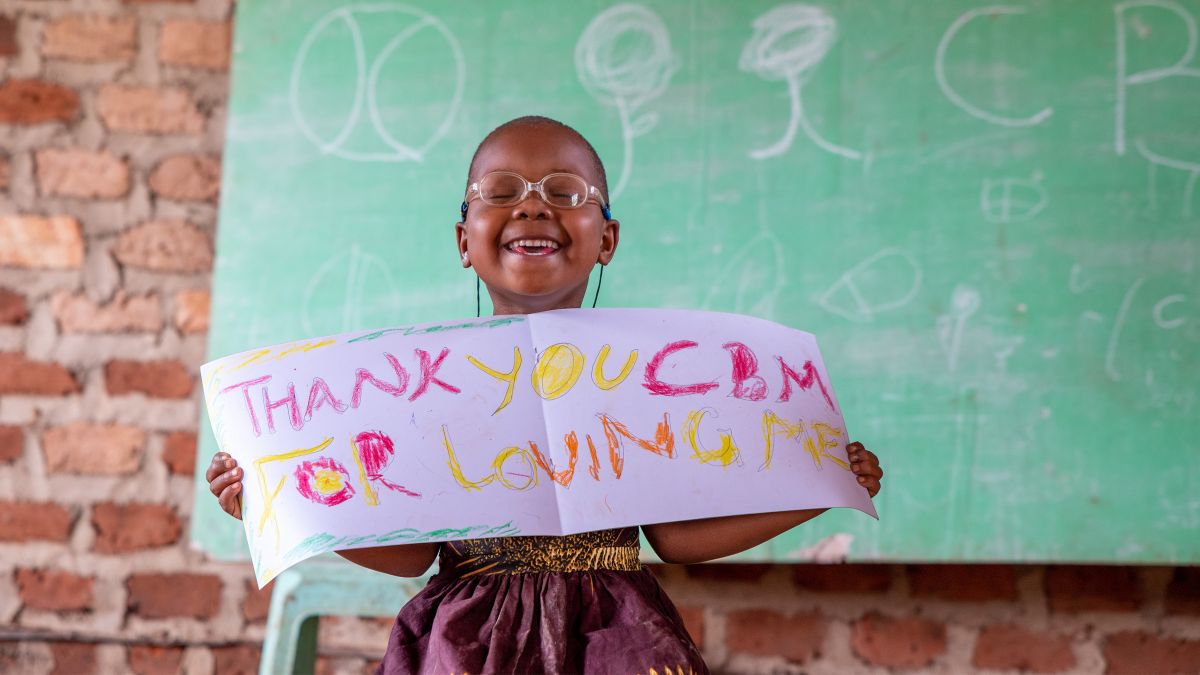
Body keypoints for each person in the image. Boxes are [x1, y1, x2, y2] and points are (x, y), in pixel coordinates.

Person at [206, 115, 884, 674]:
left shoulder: (645, 376)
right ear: (463, 240)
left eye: (565, 192)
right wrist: (274, 502)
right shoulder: (421, 384)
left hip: (616, 642)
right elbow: (411, 551)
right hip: (465, 647)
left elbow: (675, 537)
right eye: (501, 191)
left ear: (607, 239)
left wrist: (819, 486)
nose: (532, 205)